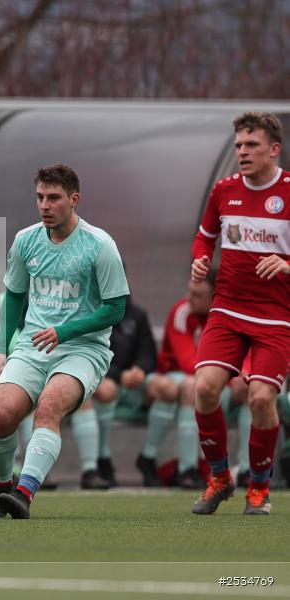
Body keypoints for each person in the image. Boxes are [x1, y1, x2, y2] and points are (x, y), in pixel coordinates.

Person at [0, 163, 129, 519]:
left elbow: (116, 309)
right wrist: (2, 348)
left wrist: (65, 331)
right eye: (39, 197)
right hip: (33, 346)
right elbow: (15, 294)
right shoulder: (25, 240)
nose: (45, 205)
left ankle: (24, 493)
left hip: (83, 349)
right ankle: (3, 485)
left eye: (54, 198)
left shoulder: (99, 245)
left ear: (74, 200)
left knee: (48, 407)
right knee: (1, 415)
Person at [189, 112, 289, 516]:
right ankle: (219, 478)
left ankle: (260, 487)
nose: (242, 152)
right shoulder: (224, 190)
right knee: (205, 389)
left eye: (251, 145)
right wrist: (200, 261)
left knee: (261, 398)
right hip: (227, 309)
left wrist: (287, 264)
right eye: (238, 146)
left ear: (274, 149)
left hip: (277, 317)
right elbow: (204, 238)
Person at [136, 273, 252, 488]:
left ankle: (248, 470)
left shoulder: (231, 315)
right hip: (179, 375)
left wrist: (243, 373)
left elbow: (245, 354)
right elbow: (189, 363)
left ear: (214, 297)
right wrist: (226, 377)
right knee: (190, 386)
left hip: (216, 381)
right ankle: (187, 470)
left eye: (197, 295)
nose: (190, 299)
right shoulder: (182, 312)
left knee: (250, 388)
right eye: (189, 292)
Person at [76, 293, 157, 489]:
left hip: (133, 385)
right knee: (104, 390)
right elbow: (86, 352)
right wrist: (119, 375)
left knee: (166, 388)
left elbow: (149, 353)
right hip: (98, 377)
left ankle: (150, 457)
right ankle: (94, 465)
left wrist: (140, 369)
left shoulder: (137, 315)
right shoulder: (85, 311)